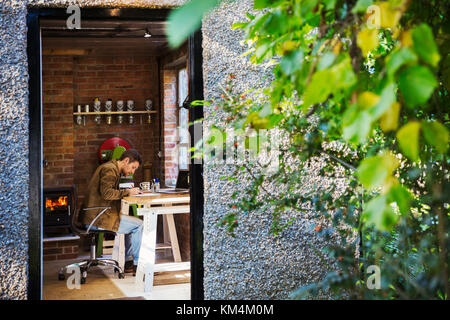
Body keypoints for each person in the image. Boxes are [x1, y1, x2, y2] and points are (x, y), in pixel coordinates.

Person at [80, 148, 143, 275]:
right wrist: (128, 192)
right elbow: (107, 193)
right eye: (133, 167)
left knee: (132, 224)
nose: (132, 171)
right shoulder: (110, 169)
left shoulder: (112, 168)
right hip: (97, 218)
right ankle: (137, 265)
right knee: (138, 225)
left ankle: (128, 262)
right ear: (126, 160)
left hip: (95, 215)